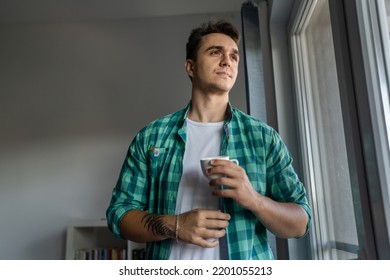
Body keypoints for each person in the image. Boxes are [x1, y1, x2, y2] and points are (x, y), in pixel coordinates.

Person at [106, 19, 311, 260]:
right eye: (216, 52)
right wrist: (177, 225)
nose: (227, 61)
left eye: (234, 56)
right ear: (190, 68)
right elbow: (119, 215)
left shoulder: (263, 138)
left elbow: (300, 222)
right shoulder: (151, 136)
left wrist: (255, 199)